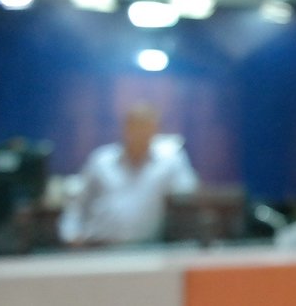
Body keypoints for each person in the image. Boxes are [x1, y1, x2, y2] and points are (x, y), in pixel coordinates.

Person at [58, 103, 198, 245]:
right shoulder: (101, 160)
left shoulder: (169, 163)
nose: (141, 132)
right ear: (126, 128)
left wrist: (178, 154)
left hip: (145, 250)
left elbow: (187, 194)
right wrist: (71, 234)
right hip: (97, 246)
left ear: (155, 129)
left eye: (147, 126)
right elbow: (78, 202)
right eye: (137, 126)